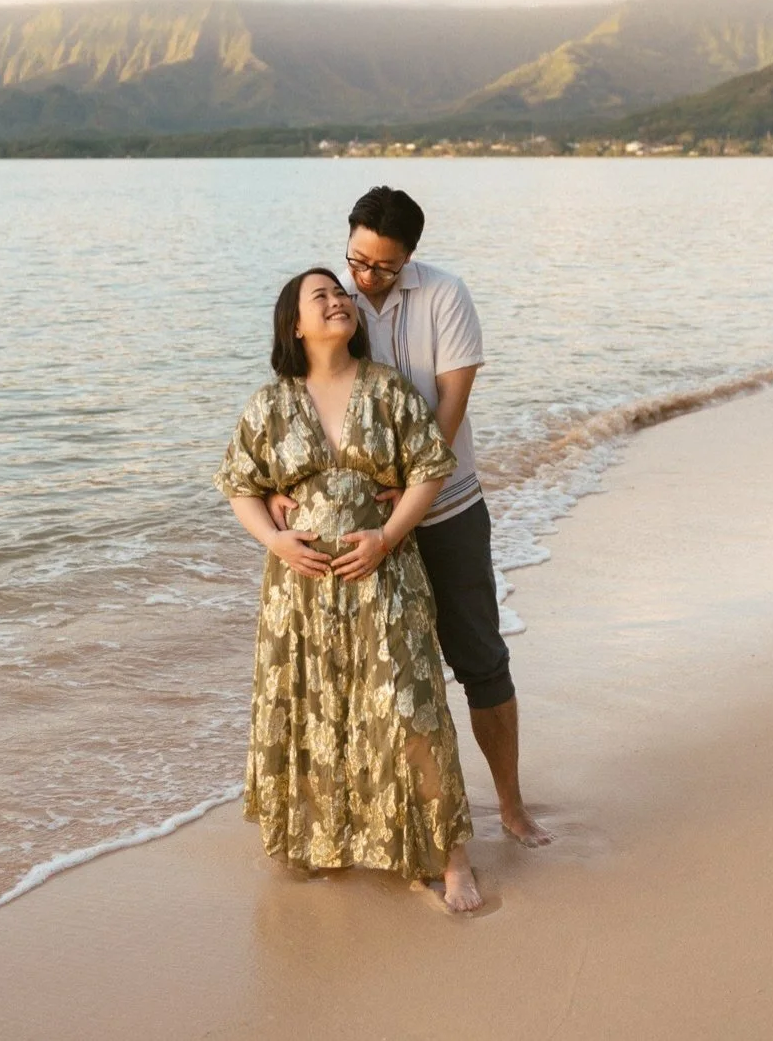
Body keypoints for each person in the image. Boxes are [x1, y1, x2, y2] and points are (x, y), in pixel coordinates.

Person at [272, 185, 549, 848]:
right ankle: (384, 819)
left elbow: (451, 401)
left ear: (409, 258)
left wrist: (414, 478)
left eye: (382, 267)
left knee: (478, 658)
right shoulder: (329, 300)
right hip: (357, 523)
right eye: (357, 260)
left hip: (447, 506)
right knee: (378, 673)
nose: (364, 279)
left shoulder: (443, 296)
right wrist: (286, 487)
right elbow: (301, 390)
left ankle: (510, 804)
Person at [215, 267, 482, 911]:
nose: (338, 301)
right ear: (294, 325)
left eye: (342, 294)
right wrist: (275, 542)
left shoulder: (387, 390)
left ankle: (452, 859)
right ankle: (321, 839)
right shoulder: (269, 404)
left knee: (410, 707)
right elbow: (239, 486)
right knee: (312, 708)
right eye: (321, 296)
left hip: (383, 572)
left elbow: (428, 470)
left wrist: (387, 535)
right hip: (298, 590)